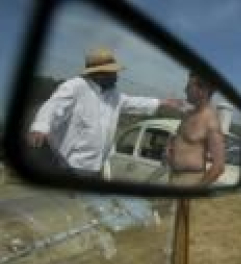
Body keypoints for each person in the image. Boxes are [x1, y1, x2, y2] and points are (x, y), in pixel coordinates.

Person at [27, 47, 183, 176]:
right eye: (113, 73)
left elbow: (134, 102)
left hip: (97, 166)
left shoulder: (113, 95)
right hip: (70, 165)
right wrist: (40, 126)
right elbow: (54, 105)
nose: (117, 76)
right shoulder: (76, 87)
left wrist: (161, 102)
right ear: (99, 74)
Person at [166, 71, 225, 187]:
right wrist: (169, 147)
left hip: (190, 182)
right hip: (172, 177)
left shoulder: (211, 122)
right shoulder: (188, 114)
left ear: (201, 91)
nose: (184, 90)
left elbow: (218, 167)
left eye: (188, 87)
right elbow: (180, 140)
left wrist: (195, 191)